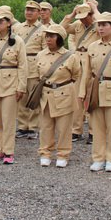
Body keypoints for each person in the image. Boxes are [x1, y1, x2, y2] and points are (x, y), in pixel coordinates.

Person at [80, 12, 111, 172]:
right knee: (96, 126)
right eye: (99, 25)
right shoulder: (92, 47)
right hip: (95, 89)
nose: (100, 28)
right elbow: (87, 72)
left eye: (104, 25)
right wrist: (82, 92)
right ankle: (98, 157)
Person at [0, 6, 28, 164]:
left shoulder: (17, 41)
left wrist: (21, 86)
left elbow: (23, 65)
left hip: (11, 82)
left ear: (9, 23)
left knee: (8, 119)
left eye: (0, 21)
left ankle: (9, 151)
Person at [36, 24, 82, 168]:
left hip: (64, 94)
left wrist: (63, 85)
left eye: (52, 36)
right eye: (47, 36)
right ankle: (45, 152)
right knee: (46, 126)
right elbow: (38, 74)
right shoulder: (40, 54)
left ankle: (63, 154)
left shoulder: (70, 56)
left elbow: (76, 74)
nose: (48, 39)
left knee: (64, 127)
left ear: (60, 38)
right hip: (46, 94)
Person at [61, 1, 99, 142]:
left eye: (85, 16)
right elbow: (61, 29)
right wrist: (71, 14)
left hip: (92, 62)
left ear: (91, 15)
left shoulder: (98, 25)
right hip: (77, 61)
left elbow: (106, 24)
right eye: (80, 17)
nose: (83, 20)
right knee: (77, 97)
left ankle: (93, 131)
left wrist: (95, 10)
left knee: (90, 96)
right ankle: (76, 130)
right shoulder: (77, 25)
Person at [14, 0, 45, 140]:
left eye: (32, 10)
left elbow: (45, 51)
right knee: (21, 97)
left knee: (33, 98)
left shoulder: (43, 29)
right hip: (19, 64)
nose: (29, 12)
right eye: (27, 9)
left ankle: (33, 127)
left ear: (38, 13)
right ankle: (22, 126)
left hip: (34, 65)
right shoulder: (17, 28)